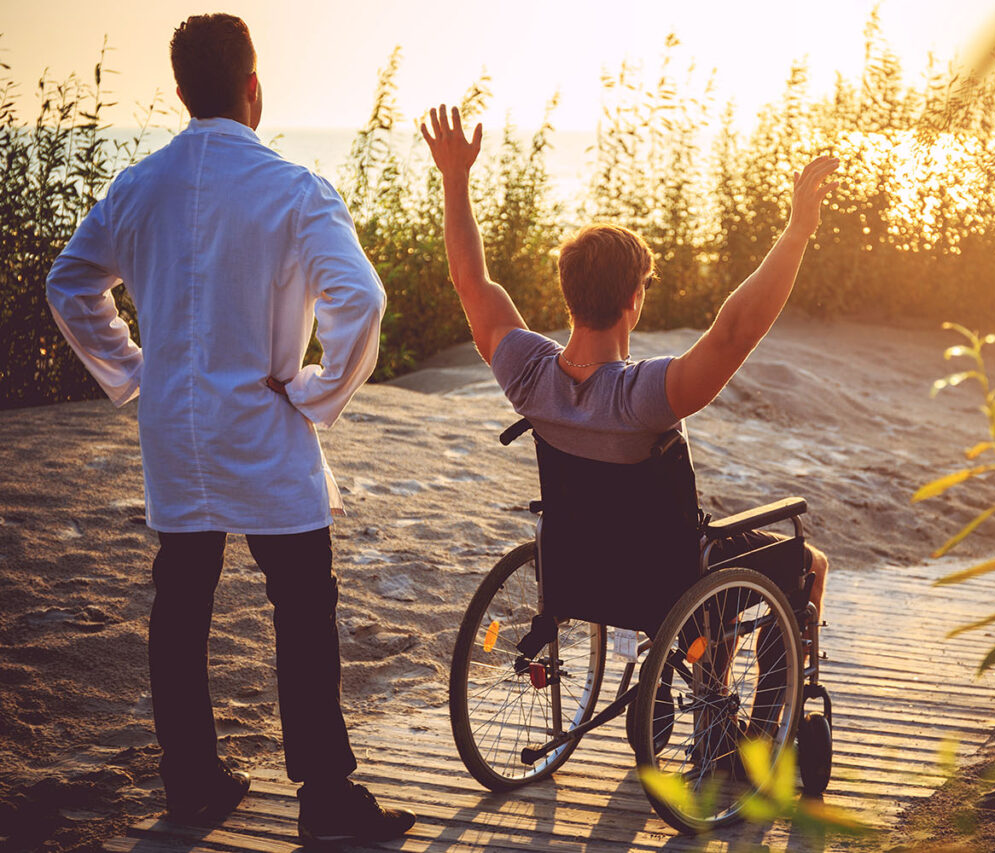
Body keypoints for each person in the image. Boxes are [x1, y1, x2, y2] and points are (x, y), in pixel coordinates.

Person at [45, 14, 414, 843]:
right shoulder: (295, 188)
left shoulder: (137, 186)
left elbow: (70, 284)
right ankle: (324, 800)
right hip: (265, 425)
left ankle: (193, 782)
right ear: (254, 88)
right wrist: (319, 391)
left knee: (180, 601)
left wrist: (134, 371)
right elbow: (364, 300)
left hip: (176, 432)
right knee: (301, 604)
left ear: (180, 93)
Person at [419, 103, 835, 631]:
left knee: (721, 566)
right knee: (809, 563)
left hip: (584, 574)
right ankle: (764, 717)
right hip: (666, 582)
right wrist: (797, 231)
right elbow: (735, 331)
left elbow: (469, 281)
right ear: (635, 298)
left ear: (569, 296)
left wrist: (455, 179)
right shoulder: (644, 397)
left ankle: (713, 678)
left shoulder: (528, 377)